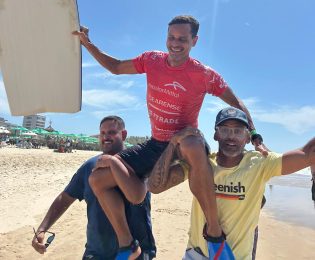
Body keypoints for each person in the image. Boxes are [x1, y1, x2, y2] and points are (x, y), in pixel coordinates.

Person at [73, 15, 267, 259]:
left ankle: (214, 233)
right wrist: (87, 43)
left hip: (186, 145)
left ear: (194, 41)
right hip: (157, 144)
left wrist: (255, 135)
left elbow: (236, 102)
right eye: (171, 37)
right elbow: (115, 67)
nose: (175, 43)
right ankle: (128, 245)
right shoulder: (151, 60)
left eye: (182, 39)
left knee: (191, 141)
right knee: (98, 179)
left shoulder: (204, 74)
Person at [147, 107, 315, 260]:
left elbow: (308, 154)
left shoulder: (261, 163)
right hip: (197, 255)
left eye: (238, 131)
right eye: (225, 130)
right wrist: (172, 143)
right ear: (216, 135)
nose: (231, 136)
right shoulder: (201, 164)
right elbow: (155, 187)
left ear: (248, 137)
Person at [31, 115, 156, 260]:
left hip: (137, 253)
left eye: (111, 132)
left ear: (124, 135)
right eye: (102, 133)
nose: (106, 137)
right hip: (97, 252)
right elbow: (65, 198)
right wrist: (42, 229)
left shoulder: (139, 163)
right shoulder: (90, 167)